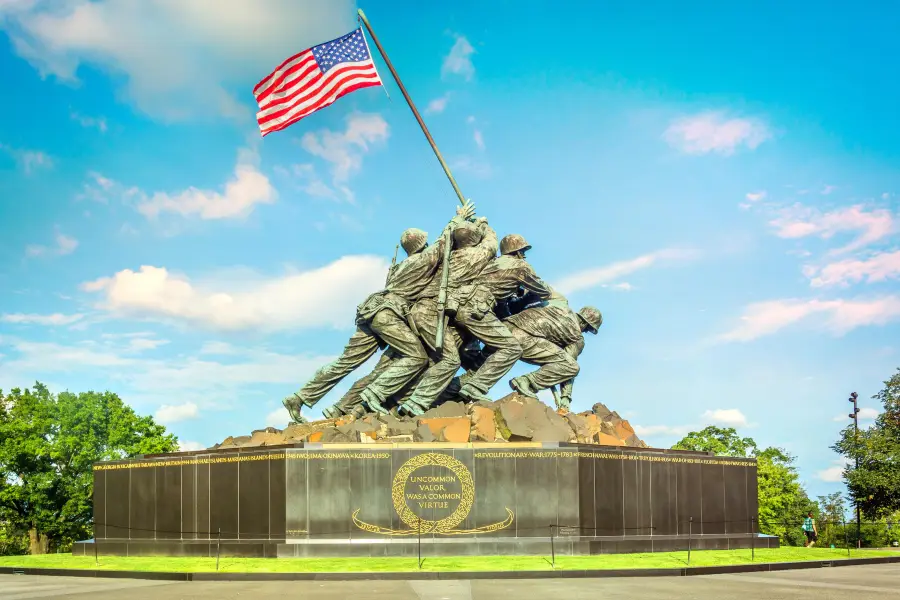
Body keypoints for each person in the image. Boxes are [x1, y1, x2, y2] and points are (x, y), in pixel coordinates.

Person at [282, 204, 474, 423]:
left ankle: (300, 397)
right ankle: (375, 394)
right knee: (416, 357)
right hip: (387, 314)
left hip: (371, 311)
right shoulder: (421, 261)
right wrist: (458, 220)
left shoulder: (401, 265)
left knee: (345, 362)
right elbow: (443, 243)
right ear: (422, 244)